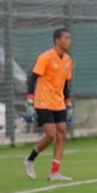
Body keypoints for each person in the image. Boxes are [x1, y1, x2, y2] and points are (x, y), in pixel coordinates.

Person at [23, 28, 74, 181]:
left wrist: (69, 104)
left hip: (58, 102)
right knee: (51, 134)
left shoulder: (68, 61)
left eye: (70, 38)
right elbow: (32, 79)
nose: (69, 41)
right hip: (43, 101)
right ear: (57, 40)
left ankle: (54, 172)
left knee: (62, 133)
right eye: (66, 38)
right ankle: (30, 159)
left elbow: (65, 84)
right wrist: (30, 102)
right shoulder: (45, 57)